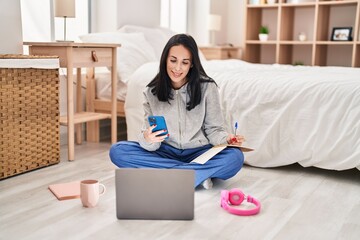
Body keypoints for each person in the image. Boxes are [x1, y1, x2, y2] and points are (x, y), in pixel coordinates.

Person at [109, 34, 245, 189]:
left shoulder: (208, 87)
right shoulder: (151, 92)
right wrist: (148, 138)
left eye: (184, 63)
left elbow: (214, 130)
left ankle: (172, 174)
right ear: (165, 59)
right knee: (118, 151)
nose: (177, 68)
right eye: (173, 60)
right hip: (165, 151)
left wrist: (227, 139)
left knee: (235, 157)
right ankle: (195, 175)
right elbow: (150, 143)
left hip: (199, 152)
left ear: (192, 64)